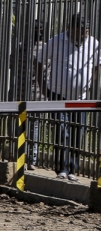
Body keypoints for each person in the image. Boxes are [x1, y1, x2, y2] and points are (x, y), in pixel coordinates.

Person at [37, 13, 99, 180]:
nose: (82, 35)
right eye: (79, 31)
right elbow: (39, 60)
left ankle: (73, 168)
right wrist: (42, 85)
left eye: (85, 32)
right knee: (61, 131)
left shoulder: (93, 43)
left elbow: (97, 66)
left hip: (81, 98)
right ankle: (62, 168)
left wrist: (91, 83)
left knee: (78, 133)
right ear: (70, 29)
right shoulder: (57, 40)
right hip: (58, 95)